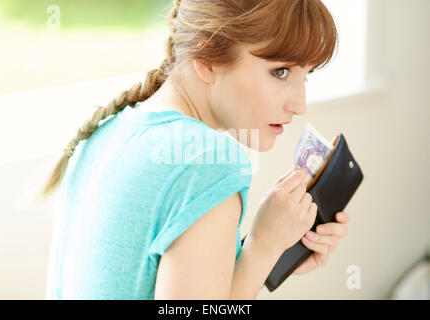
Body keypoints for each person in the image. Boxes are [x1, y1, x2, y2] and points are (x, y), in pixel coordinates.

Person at [38, 0, 350, 299]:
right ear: (208, 58)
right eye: (280, 72)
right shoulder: (207, 162)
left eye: (306, 75)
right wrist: (264, 246)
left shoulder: (106, 132)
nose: (299, 104)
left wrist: (273, 252)